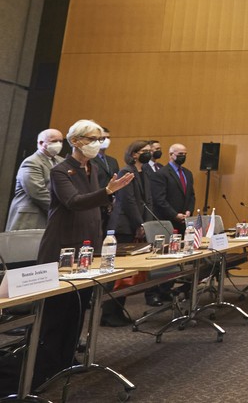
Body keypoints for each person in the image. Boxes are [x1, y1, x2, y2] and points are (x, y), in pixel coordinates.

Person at [33, 120, 133, 386]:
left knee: (78, 307)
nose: (98, 143)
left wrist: (108, 198)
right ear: (76, 141)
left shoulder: (94, 168)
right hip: (62, 244)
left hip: (88, 244)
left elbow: (95, 202)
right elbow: (74, 202)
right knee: (57, 310)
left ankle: (66, 358)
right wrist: (108, 192)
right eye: (92, 138)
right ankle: (45, 365)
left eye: (100, 138)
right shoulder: (60, 170)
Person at [102, 141, 156, 324]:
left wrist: (145, 225)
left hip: (137, 224)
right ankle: (108, 314)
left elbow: (148, 200)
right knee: (117, 272)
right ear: (134, 154)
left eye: (150, 151)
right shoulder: (126, 172)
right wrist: (139, 224)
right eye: (145, 151)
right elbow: (128, 201)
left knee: (126, 272)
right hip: (123, 225)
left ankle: (117, 311)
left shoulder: (145, 173)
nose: (149, 154)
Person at [5, 129, 64, 231]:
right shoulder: (31, 162)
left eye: (61, 141)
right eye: (54, 141)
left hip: (50, 217)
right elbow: (38, 192)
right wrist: (61, 209)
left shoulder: (61, 161)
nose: (58, 144)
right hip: (31, 218)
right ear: (41, 143)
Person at [152, 144, 194, 233]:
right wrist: (175, 215)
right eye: (180, 154)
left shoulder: (188, 173)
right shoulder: (161, 173)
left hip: (185, 221)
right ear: (171, 154)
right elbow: (159, 199)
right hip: (168, 221)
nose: (183, 156)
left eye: (185, 154)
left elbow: (191, 195)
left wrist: (189, 211)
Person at [93, 126, 120, 235]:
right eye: (103, 138)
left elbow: (116, 180)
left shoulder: (112, 160)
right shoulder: (90, 159)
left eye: (108, 138)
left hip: (111, 205)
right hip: (96, 203)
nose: (106, 141)